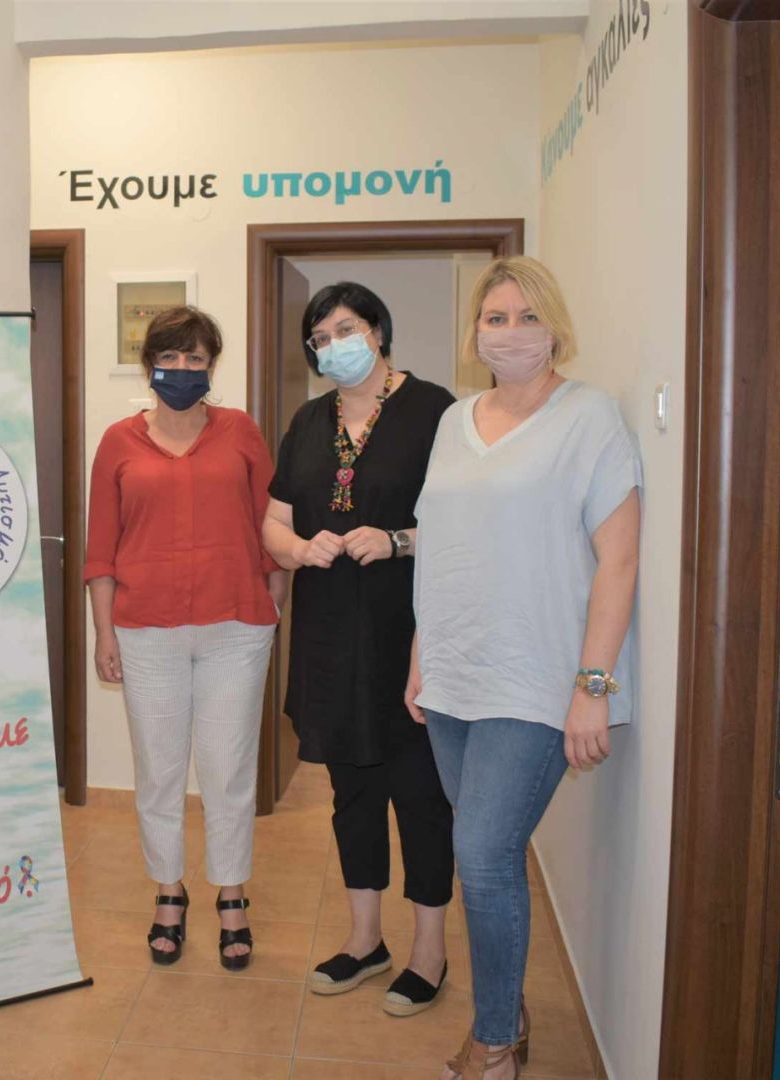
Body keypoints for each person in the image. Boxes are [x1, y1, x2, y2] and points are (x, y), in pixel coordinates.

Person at [407, 256, 642, 1079]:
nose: (510, 332)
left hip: (538, 678)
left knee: (482, 853)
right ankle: (507, 1012)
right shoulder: (454, 421)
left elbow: (619, 560)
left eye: (527, 316)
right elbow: (442, 546)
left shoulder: (591, 418)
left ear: (555, 327)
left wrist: (593, 687)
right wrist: (421, 654)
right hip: (454, 674)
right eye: (495, 318)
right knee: (482, 852)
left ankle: (495, 1042)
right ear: (475, 331)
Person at [262, 282, 458, 1017]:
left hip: (409, 637)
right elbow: (273, 523)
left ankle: (429, 951)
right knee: (352, 796)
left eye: (345, 329)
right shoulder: (309, 421)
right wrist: (297, 548)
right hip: (329, 638)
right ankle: (366, 940)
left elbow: (466, 523)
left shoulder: (435, 412)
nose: (332, 345)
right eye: (320, 338)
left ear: (378, 330)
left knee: (420, 796)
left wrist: (398, 539)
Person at [84, 306, 285, 971]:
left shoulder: (240, 431)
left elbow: (271, 525)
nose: (182, 369)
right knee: (160, 770)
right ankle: (169, 891)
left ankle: (232, 893)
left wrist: (273, 604)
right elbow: (101, 547)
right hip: (146, 632)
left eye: (196, 358)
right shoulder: (117, 442)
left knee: (229, 770)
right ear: (149, 365)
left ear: (211, 366)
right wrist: (104, 632)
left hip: (236, 628)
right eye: (170, 357)